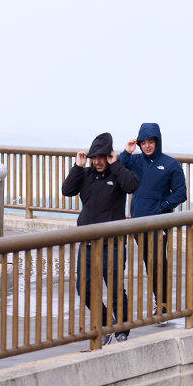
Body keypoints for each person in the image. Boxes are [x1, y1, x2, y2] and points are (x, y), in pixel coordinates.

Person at [61, 132, 140, 344]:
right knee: (84, 289)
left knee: (115, 289)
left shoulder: (117, 174)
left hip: (112, 244)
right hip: (87, 243)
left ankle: (122, 328)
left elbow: (132, 185)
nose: (97, 161)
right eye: (94, 157)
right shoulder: (85, 175)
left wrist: (117, 165)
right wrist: (77, 167)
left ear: (109, 156)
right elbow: (67, 190)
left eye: (101, 157)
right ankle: (105, 322)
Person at [119, 123, 187, 319]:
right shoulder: (136, 160)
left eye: (151, 142)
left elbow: (181, 193)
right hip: (137, 222)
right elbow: (119, 169)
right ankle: (160, 301)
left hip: (157, 223)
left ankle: (163, 304)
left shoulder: (170, 164)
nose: (147, 146)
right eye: (144, 142)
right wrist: (127, 151)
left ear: (157, 141)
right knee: (149, 263)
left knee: (158, 263)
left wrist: (161, 207)